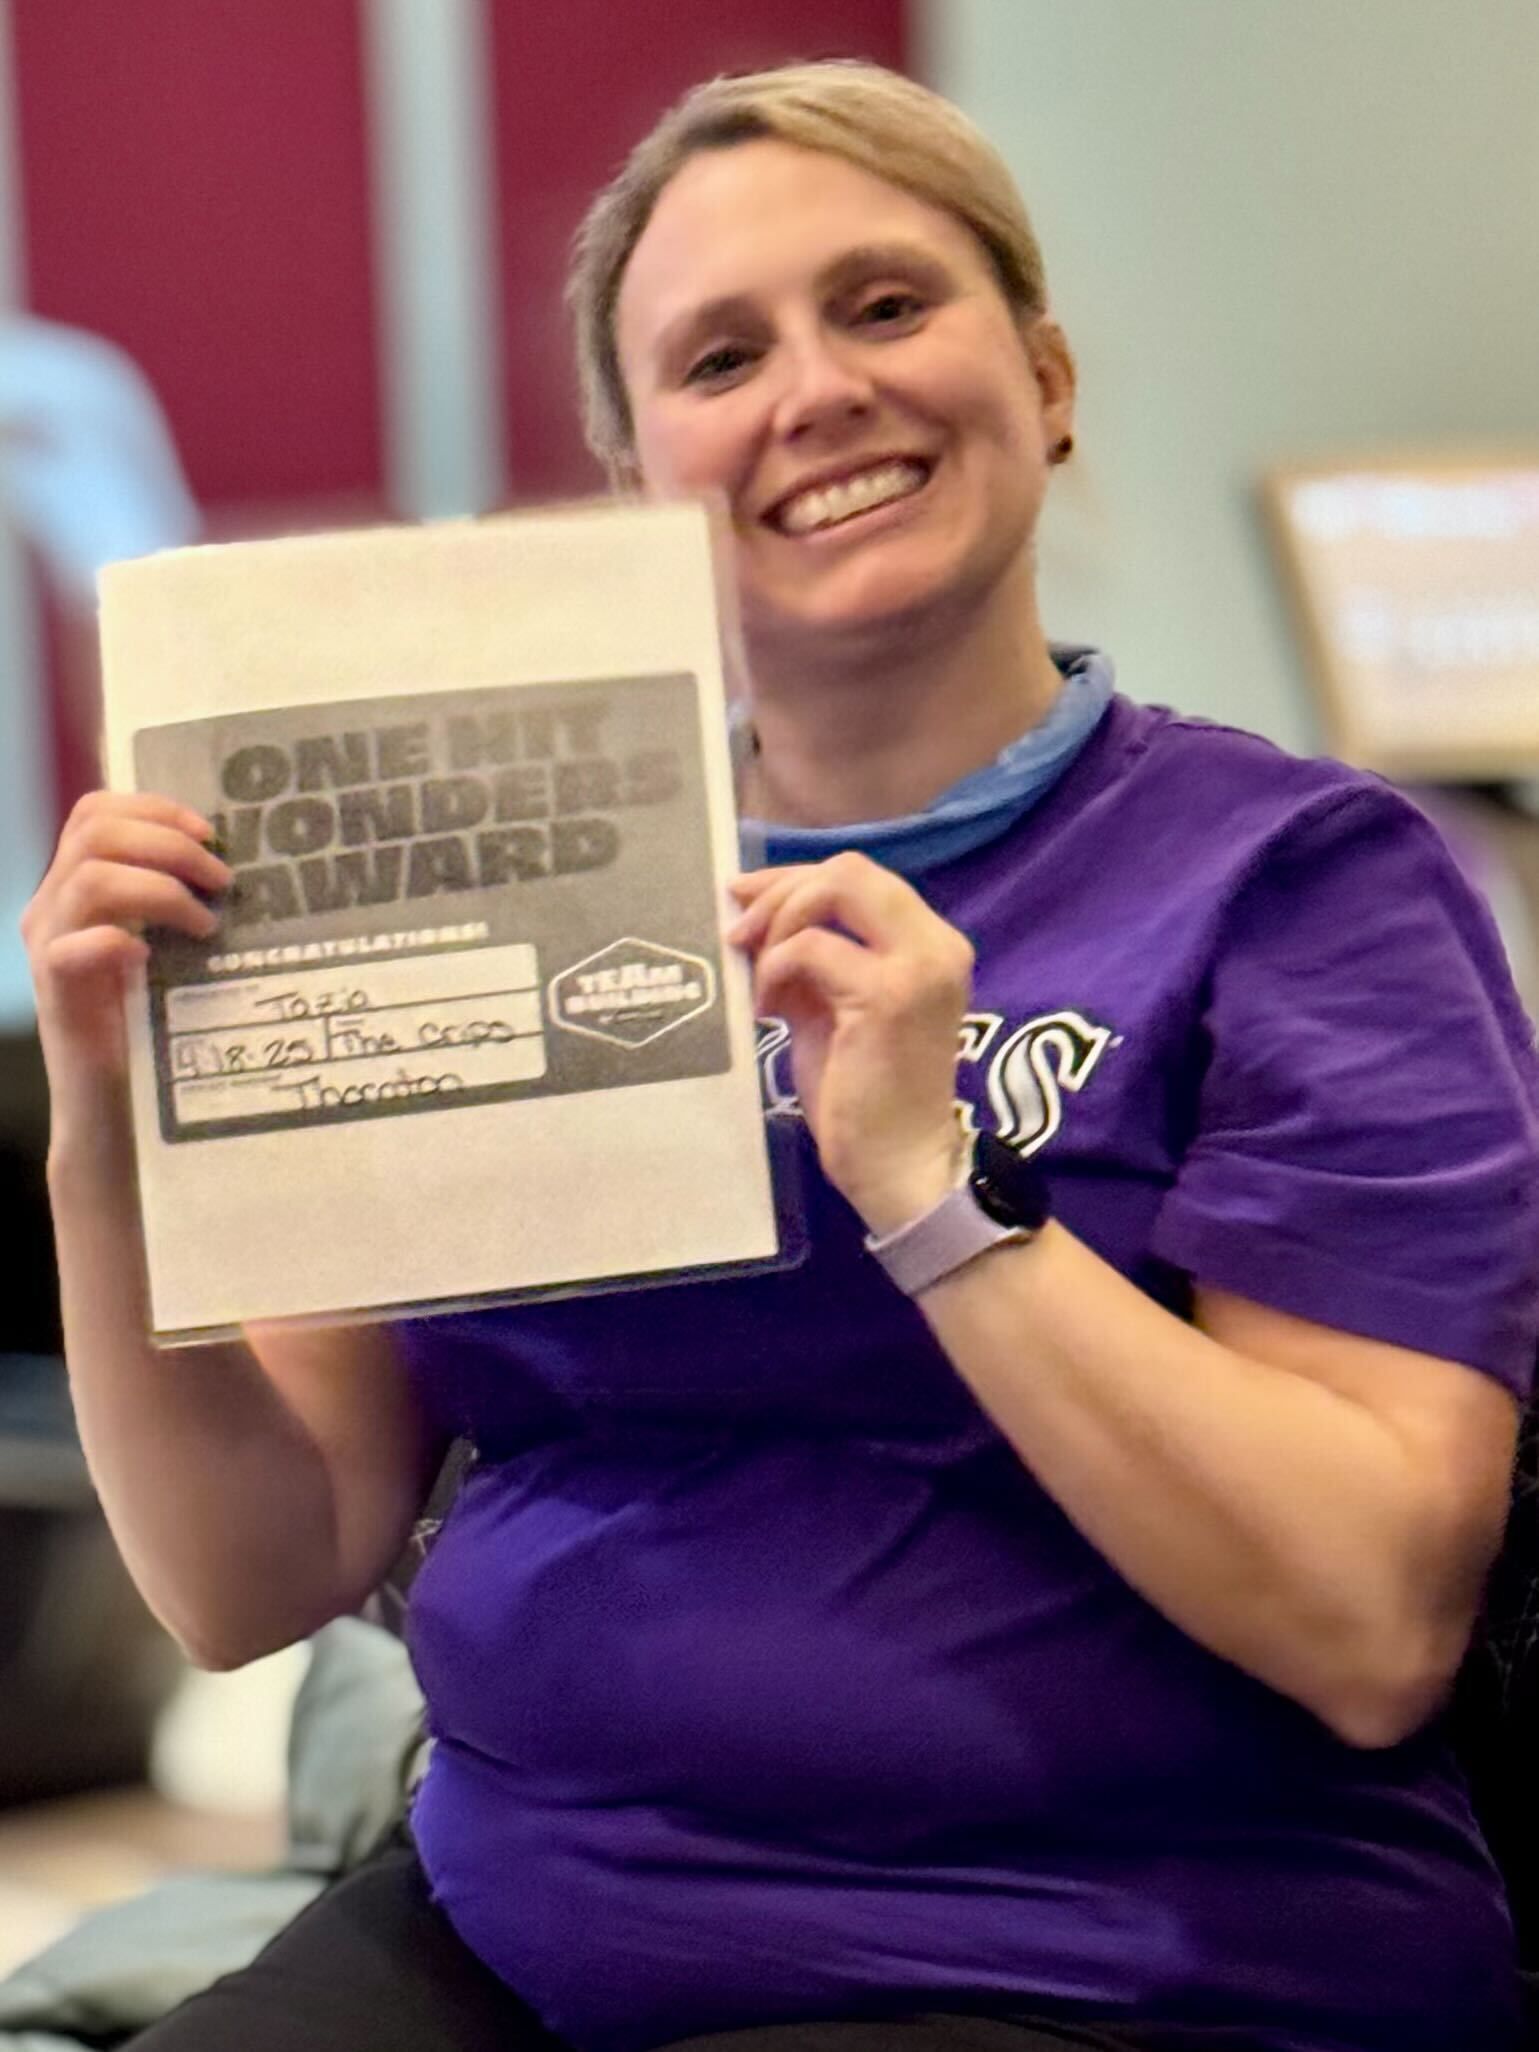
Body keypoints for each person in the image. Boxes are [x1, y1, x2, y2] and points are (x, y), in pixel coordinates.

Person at [21, 59, 1539, 2052]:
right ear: (636, 484)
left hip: (1102, 1953)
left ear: (1047, 371)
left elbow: (1362, 1624)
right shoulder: (517, 905)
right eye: (717, 356)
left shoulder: (1302, 885)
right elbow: (251, 1573)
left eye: (886, 304)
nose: (812, 389)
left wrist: (925, 1185)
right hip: (523, 1915)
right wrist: (110, 1135)